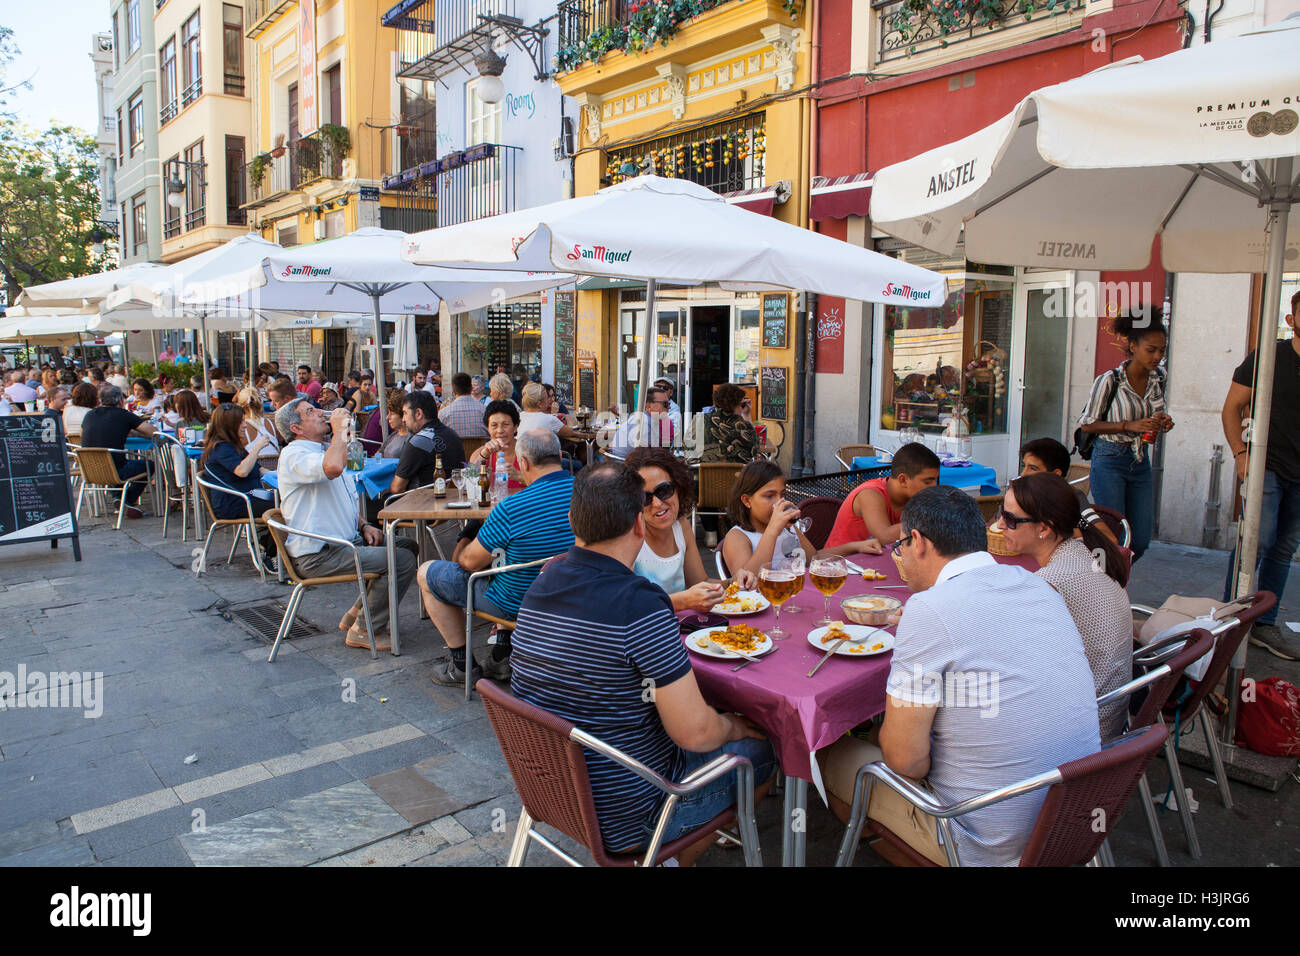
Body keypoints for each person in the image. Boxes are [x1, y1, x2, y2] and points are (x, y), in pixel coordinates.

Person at [509, 461, 777, 861]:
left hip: (551, 791)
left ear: (572, 519)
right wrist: (734, 725)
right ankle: (667, 855)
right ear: (639, 524)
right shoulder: (639, 604)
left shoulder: (541, 585)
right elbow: (697, 734)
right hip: (634, 815)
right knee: (763, 750)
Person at [819, 485, 1101, 866]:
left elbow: (906, 762)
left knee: (827, 755)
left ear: (917, 541)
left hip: (982, 839)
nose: (899, 555)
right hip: (1072, 818)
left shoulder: (929, 608)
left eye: (900, 545)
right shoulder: (1038, 585)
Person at [418, 429, 575, 685]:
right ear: (559, 456)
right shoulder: (588, 494)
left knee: (427, 572)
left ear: (522, 463)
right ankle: (501, 655)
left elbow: (468, 562)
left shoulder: (512, 508)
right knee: (506, 562)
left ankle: (461, 666)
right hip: (572, 596)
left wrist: (466, 538)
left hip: (518, 603)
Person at [996, 472, 1133, 740]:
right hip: (1108, 715)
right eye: (1002, 512)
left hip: (1079, 734)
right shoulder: (1086, 552)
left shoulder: (1053, 580)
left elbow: (1006, 657)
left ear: (1044, 528)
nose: (999, 524)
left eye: (1010, 519)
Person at [274, 398, 419, 650]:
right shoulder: (294, 455)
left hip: (345, 542)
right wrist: (340, 430)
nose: (320, 413)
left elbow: (342, 498)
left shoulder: (320, 450)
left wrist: (364, 525)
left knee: (408, 545)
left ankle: (358, 612)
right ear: (296, 428)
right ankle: (365, 629)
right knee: (401, 560)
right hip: (320, 555)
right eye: (310, 411)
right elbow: (333, 468)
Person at [1220, 287, 1300, 659]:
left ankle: (1264, 625)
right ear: (1291, 319)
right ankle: (1232, 618)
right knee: (1258, 540)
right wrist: (1240, 453)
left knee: (1283, 548)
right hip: (1266, 465)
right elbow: (1231, 408)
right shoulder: (1269, 356)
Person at [1077, 309, 1173, 561]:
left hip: (1140, 460)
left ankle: (1112, 581)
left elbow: (1156, 412)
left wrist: (1163, 421)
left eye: (1161, 350)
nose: (1157, 356)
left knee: (1140, 539)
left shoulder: (1158, 378)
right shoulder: (1110, 380)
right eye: (1151, 350)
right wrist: (1129, 425)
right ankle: (1106, 587)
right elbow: (1087, 424)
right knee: (1114, 535)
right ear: (1132, 346)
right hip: (1109, 459)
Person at [626, 446, 754, 612]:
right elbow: (627, 604)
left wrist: (733, 582)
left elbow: (700, 582)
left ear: (678, 487)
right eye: (645, 497)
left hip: (683, 628)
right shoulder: (627, 536)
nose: (657, 503)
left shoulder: (681, 526)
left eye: (664, 490)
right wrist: (683, 601)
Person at [200, 404, 278, 570]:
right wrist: (257, 447)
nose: (245, 425)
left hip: (248, 498)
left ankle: (267, 543)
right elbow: (242, 471)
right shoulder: (221, 448)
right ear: (228, 425)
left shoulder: (232, 445)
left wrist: (284, 476)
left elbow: (259, 470)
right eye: (241, 422)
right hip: (234, 503)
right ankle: (269, 552)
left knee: (289, 500)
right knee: (286, 506)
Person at [826, 442, 940, 549]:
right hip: (840, 563)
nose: (934, 487)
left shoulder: (913, 496)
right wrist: (931, 521)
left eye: (936, 480)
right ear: (903, 480)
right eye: (928, 482)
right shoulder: (870, 494)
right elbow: (884, 537)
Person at [720, 460, 819, 578]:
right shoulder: (738, 537)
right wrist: (772, 530)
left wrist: (793, 528)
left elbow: (813, 561)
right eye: (769, 496)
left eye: (782, 495)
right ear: (747, 500)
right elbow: (746, 582)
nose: (779, 502)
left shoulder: (788, 529)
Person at [80, 384, 157, 519]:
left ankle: (118, 498)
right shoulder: (124, 415)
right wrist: (134, 432)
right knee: (149, 465)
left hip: (89, 470)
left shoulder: (89, 415)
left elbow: (83, 435)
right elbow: (153, 432)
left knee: (117, 459)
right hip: (115, 471)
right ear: (120, 400)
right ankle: (125, 500)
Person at [390, 390, 466, 495]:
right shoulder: (453, 435)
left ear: (418, 413)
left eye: (405, 413)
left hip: (421, 503)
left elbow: (397, 488)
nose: (403, 419)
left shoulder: (418, 442)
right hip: (454, 498)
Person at [465, 400, 525, 488]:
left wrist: (519, 476)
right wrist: (484, 454)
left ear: (515, 427)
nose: (500, 431)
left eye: (506, 424)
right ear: (488, 428)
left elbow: (543, 485)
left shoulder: (527, 451)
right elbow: (469, 482)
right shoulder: (481, 453)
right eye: (494, 425)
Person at [700, 384, 762, 463]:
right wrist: (747, 415)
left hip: (705, 473)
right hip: (738, 474)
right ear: (735, 405)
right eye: (742, 404)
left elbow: (688, 448)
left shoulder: (700, 420)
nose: (742, 407)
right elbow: (755, 451)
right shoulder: (744, 426)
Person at [608, 386, 674, 457]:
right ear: (648, 406)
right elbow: (646, 457)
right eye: (665, 404)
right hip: (626, 465)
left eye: (669, 404)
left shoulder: (645, 419)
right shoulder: (644, 424)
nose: (669, 407)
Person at [233, 386, 278, 471]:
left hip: (253, 471)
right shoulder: (271, 422)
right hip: (275, 473)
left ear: (239, 406)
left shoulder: (241, 427)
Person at [439, 372, 489, 438]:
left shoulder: (443, 413)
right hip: (481, 448)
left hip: (455, 448)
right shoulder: (485, 410)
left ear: (454, 391)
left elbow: (439, 438)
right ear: (471, 389)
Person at [379, 390, 410, 459]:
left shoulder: (410, 439)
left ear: (403, 415)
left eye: (392, 414)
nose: (387, 417)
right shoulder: (393, 435)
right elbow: (378, 456)